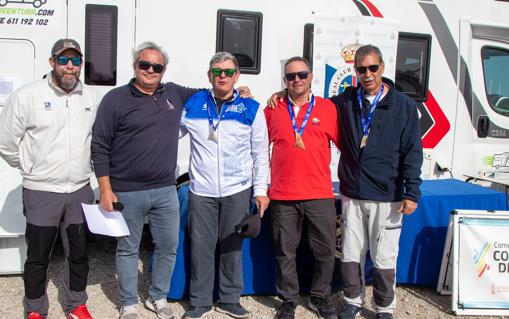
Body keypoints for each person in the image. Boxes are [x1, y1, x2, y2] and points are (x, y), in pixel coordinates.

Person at [91, 41, 201, 319]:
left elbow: (210, 94)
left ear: (164, 70)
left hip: (165, 189)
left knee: (168, 246)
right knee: (128, 249)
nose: (150, 70)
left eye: (157, 66)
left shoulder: (174, 93)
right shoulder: (115, 99)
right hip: (127, 191)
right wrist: (105, 190)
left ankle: (157, 297)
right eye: (145, 64)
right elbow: (99, 146)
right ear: (135, 66)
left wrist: (240, 91)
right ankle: (129, 303)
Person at [0, 39, 101, 319]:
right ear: (52, 62)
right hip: (41, 191)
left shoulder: (91, 98)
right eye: (64, 60)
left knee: (79, 254)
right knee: (38, 256)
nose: (70, 66)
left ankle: (76, 304)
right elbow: (6, 142)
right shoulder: (27, 96)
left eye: (76, 61)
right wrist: (32, 168)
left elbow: (98, 141)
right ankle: (35, 310)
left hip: (79, 190)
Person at [330, 45, 423, 319]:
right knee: (349, 255)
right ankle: (352, 301)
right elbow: (311, 104)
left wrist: (412, 192)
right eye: (361, 69)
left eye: (372, 68)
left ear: (382, 67)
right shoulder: (346, 101)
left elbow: (413, 152)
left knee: (384, 259)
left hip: (388, 196)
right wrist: (279, 94)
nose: (367, 74)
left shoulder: (404, 105)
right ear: (355, 71)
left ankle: (384, 308)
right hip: (353, 195)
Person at [180, 52, 269, 319]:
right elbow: (168, 135)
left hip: (237, 189)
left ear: (237, 76)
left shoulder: (251, 108)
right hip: (202, 190)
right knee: (201, 246)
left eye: (228, 72)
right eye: (217, 71)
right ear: (209, 75)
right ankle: (200, 302)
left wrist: (261, 190)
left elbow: (260, 153)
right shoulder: (193, 104)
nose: (222, 76)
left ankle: (230, 299)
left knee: (232, 246)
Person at [264, 57, 339, 319]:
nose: (296, 79)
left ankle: (319, 295)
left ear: (311, 77)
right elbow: (258, 148)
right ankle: (288, 299)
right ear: (284, 80)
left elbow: (349, 146)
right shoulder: (273, 108)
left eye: (302, 74)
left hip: (319, 193)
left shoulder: (329, 108)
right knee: (285, 250)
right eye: (290, 76)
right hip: (283, 194)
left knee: (326, 250)